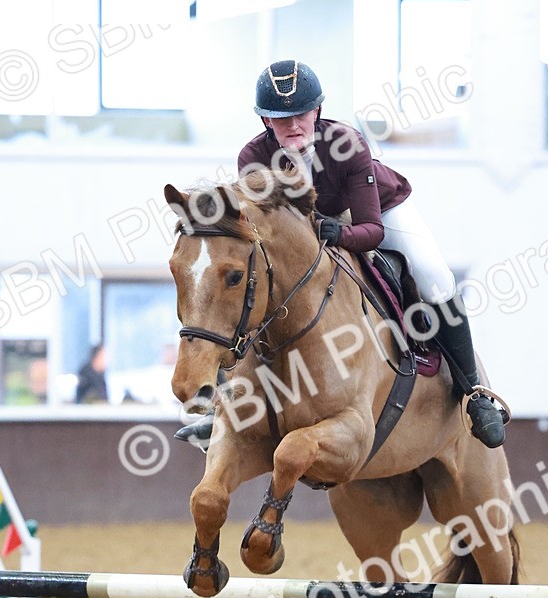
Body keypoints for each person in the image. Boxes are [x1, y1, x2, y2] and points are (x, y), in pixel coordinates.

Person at [176, 59, 506, 449]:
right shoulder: (253, 158)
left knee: (434, 275)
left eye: (302, 114)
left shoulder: (347, 144)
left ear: (317, 110)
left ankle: (474, 392)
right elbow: (261, 238)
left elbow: (373, 230)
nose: (294, 125)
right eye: (282, 118)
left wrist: (342, 233)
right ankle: (225, 410)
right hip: (313, 230)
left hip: (378, 211)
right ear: (265, 120)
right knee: (251, 285)